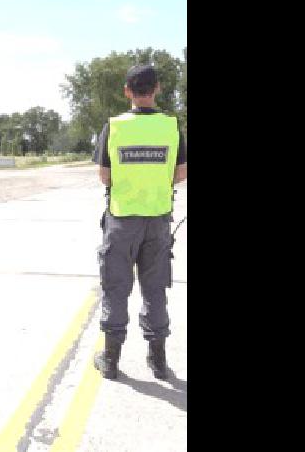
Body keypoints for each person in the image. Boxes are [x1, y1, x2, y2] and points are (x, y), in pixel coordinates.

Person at [92, 64, 187, 380]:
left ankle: (111, 360)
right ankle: (158, 361)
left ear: (127, 91)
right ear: (157, 88)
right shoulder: (171, 127)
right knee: (155, 288)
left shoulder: (114, 128)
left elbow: (104, 176)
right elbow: (181, 172)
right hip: (158, 220)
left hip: (122, 220)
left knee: (116, 286)